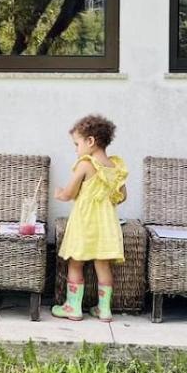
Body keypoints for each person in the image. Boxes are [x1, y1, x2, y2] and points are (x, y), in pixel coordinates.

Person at [52, 114, 128, 321]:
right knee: (103, 266)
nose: (76, 149)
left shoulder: (85, 164)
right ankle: (104, 310)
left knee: (75, 263)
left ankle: (73, 308)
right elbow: (122, 197)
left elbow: (69, 193)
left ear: (90, 141)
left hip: (84, 223)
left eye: (77, 144)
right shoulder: (115, 167)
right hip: (107, 225)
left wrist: (59, 193)